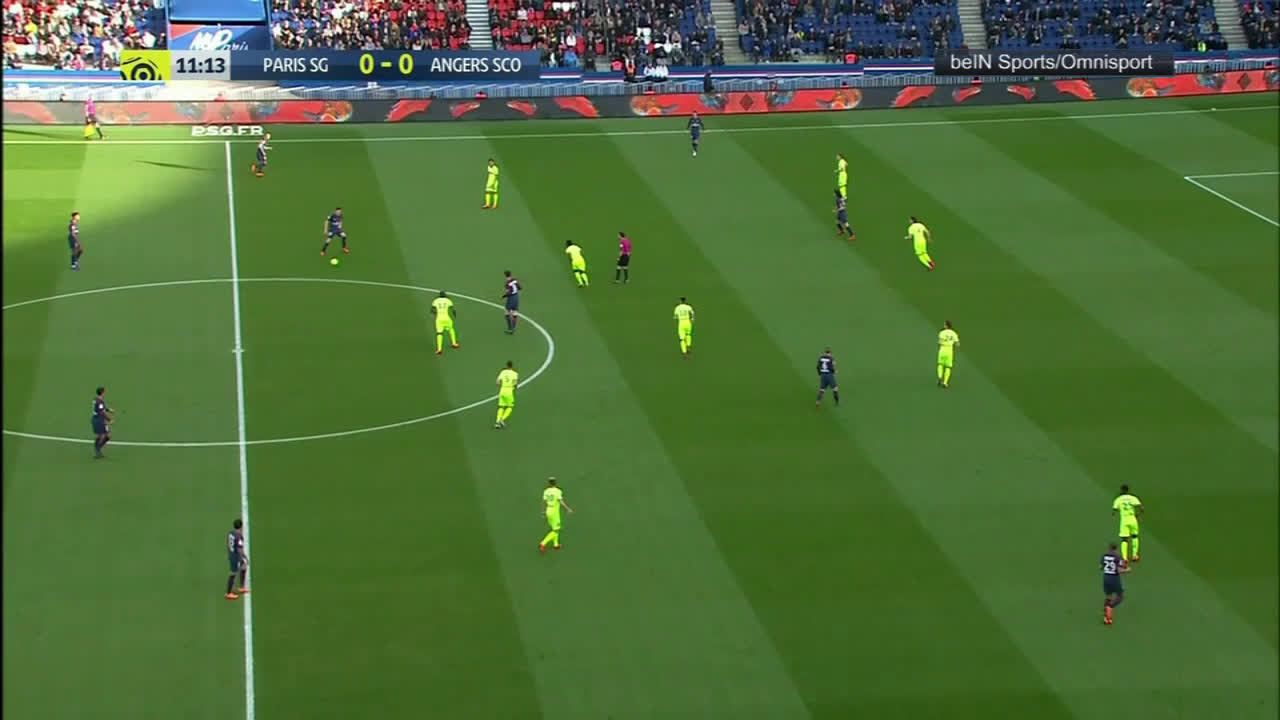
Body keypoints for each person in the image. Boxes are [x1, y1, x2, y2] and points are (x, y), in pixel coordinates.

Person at [539, 477, 574, 552]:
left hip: (548, 510)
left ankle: (556, 545)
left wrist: (543, 511)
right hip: (554, 512)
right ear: (555, 483)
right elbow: (561, 502)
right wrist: (567, 509)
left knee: (554, 528)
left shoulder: (546, 491)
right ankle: (543, 543)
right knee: (556, 530)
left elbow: (543, 502)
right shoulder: (558, 491)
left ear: (549, 483)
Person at [1113, 485, 1143, 563]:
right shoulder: (1133, 498)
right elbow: (1141, 507)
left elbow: (1114, 511)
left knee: (1124, 539)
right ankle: (1135, 555)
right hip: (1132, 519)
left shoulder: (1118, 499)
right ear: (1127, 490)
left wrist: (1120, 510)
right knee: (1135, 537)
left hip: (1124, 520)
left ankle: (1125, 558)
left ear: (1121, 490)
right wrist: (1138, 515)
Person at [1101, 542, 1127, 625]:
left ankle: (1106, 617)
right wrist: (1127, 570)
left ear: (1109, 548)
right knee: (1120, 596)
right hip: (1114, 579)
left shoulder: (1104, 556)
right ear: (1116, 549)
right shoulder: (1117, 557)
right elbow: (1120, 569)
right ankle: (1110, 607)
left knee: (1109, 596)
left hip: (1106, 578)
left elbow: (1101, 567)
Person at [226, 519, 250, 600]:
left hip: (232, 554)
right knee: (233, 573)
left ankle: (242, 587)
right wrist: (244, 557)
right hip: (236, 557)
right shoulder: (239, 536)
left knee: (244, 567)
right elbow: (240, 549)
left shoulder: (231, 533)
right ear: (241, 527)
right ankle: (228, 593)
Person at [431, 290, 460, 355]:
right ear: (445, 295)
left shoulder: (435, 300)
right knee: (451, 329)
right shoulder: (448, 300)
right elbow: (453, 309)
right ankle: (454, 343)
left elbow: (432, 310)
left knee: (439, 333)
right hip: (446, 318)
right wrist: (455, 315)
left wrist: (434, 313)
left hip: (439, 319)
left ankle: (439, 349)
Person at [91, 385, 114, 458]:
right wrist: (109, 419)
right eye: (104, 392)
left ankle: (98, 448)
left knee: (107, 435)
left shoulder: (96, 399)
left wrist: (108, 410)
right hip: (99, 420)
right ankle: (97, 449)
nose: (105, 393)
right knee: (102, 435)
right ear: (102, 393)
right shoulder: (100, 401)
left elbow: (100, 408)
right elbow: (102, 412)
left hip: (98, 419)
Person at [494, 361, 518, 428]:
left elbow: (497, 382)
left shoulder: (503, 372)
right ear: (512, 366)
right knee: (510, 407)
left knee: (501, 406)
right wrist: (515, 387)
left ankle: (497, 422)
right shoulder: (514, 373)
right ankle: (502, 419)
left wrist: (501, 385)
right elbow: (515, 383)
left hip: (502, 390)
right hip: (509, 391)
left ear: (507, 366)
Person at [937, 321, 959, 388]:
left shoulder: (942, 332)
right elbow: (957, 344)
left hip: (942, 349)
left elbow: (939, 342)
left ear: (946, 325)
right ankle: (945, 382)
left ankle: (940, 377)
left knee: (940, 364)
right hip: (949, 350)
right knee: (948, 367)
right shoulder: (954, 333)